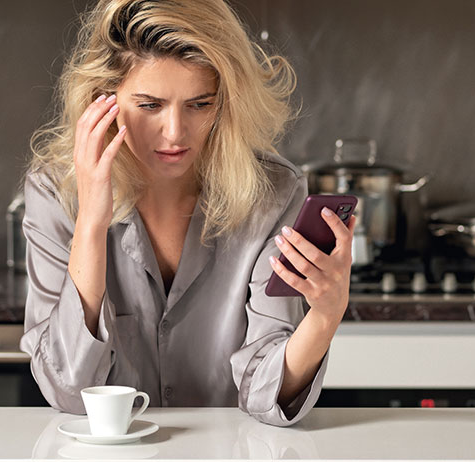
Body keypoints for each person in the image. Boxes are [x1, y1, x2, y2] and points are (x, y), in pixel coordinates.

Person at [19, 0, 355, 427]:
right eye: (150, 105)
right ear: (102, 101)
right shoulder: (56, 192)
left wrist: (325, 316)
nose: (176, 133)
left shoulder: (274, 195)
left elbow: (264, 395)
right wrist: (90, 224)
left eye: (199, 104)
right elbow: (68, 391)